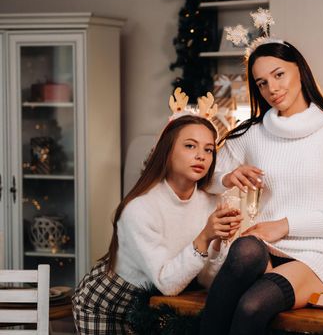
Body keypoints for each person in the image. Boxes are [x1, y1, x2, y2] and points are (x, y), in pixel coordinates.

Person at [199, 38, 323, 335]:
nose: (272, 89)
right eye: (262, 83)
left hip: (315, 255)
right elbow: (206, 176)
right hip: (262, 248)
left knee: (252, 305)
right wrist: (226, 177)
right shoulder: (252, 133)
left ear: (299, 70)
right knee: (246, 249)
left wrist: (284, 225)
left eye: (279, 75)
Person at [72, 113, 241, 334]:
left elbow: (207, 280)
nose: (201, 156)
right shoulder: (139, 208)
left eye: (208, 150)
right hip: (109, 303)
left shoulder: (211, 203)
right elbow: (167, 283)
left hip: (158, 304)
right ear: (167, 152)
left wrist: (219, 242)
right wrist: (204, 237)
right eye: (190, 146)